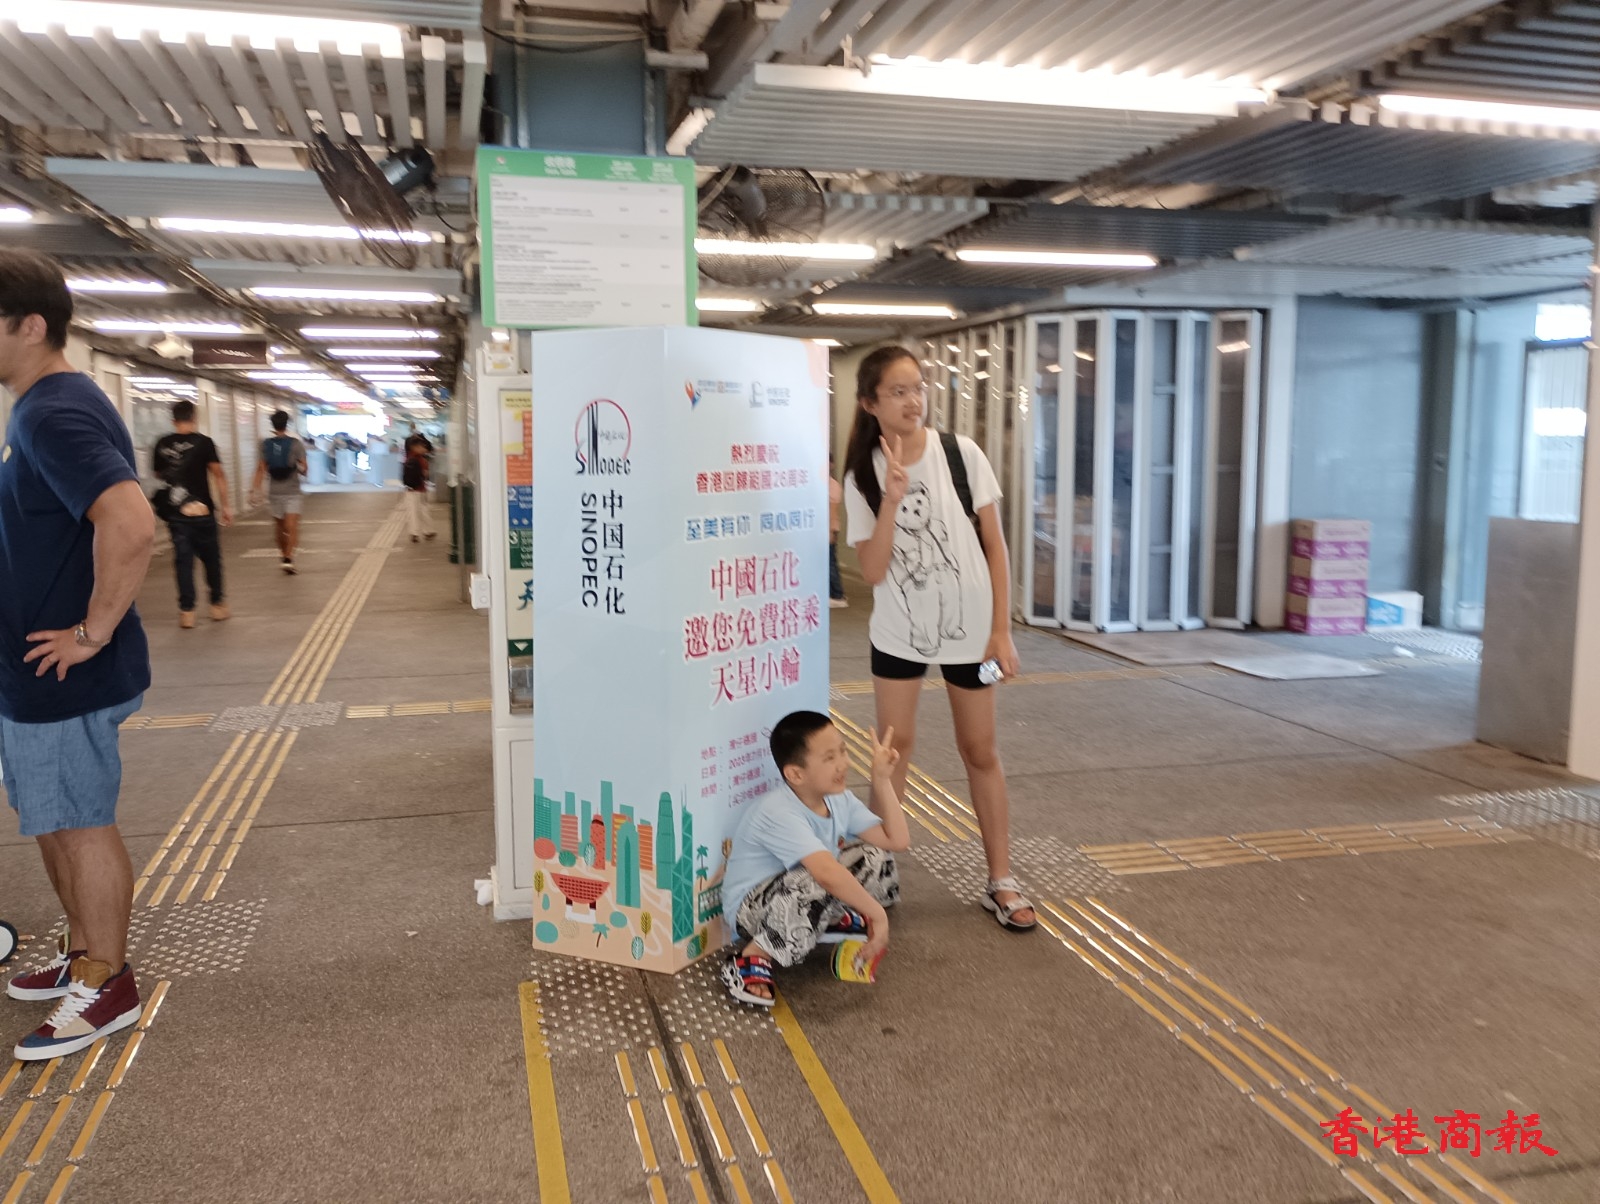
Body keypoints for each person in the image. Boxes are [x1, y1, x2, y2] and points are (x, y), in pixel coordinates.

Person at [0, 248, 153, 1059]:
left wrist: (91, 633)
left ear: (31, 326)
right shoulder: (49, 403)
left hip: (62, 672)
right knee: (54, 819)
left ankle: (107, 980)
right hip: (33, 672)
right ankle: (83, 951)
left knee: (80, 823)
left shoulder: (51, 412)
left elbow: (129, 523)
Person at [842, 345, 1036, 932]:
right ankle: (875, 876)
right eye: (898, 392)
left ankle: (1001, 880)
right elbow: (872, 570)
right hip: (897, 636)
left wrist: (1001, 632)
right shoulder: (862, 476)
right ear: (869, 403)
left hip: (974, 636)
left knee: (981, 750)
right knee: (891, 755)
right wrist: (891, 499)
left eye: (918, 388)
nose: (913, 401)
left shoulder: (961, 454)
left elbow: (995, 547)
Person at [720, 711, 909, 1007]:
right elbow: (826, 873)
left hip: (798, 890)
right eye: (829, 758)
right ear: (796, 774)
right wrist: (877, 915)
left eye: (843, 751)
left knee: (874, 856)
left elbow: (896, 841)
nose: (843, 763)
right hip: (752, 910)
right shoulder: (778, 811)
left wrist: (882, 780)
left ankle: (824, 919)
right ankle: (754, 955)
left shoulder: (838, 799)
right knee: (819, 877)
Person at [151, 399, 232, 628]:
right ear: (194, 418)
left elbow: (158, 475)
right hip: (203, 512)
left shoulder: (162, 444)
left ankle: (187, 612)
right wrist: (226, 506)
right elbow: (218, 474)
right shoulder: (204, 443)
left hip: (176, 513)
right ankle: (217, 606)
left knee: (183, 562)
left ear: (173, 419)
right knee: (212, 560)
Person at [250, 409, 306, 574]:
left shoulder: (265, 444)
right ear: (287, 424)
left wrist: (254, 490)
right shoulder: (296, 444)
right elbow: (304, 469)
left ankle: (284, 556)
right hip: (292, 491)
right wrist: (298, 468)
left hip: (274, 492)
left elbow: (261, 469)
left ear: (272, 425)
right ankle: (288, 558)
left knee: (280, 527)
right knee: (292, 527)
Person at [401, 438, 436, 542]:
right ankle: (427, 531)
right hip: (421, 489)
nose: (424, 449)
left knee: (413, 511)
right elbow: (426, 475)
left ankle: (414, 533)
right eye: (421, 446)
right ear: (414, 447)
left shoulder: (408, 458)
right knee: (423, 510)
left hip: (411, 489)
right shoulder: (421, 460)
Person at [828, 453, 847, 608]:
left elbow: (833, 511)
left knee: (830, 562)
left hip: (829, 528)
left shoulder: (833, 486)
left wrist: (831, 530)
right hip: (822, 529)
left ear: (832, 465)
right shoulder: (823, 484)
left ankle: (838, 595)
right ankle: (833, 593)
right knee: (827, 562)